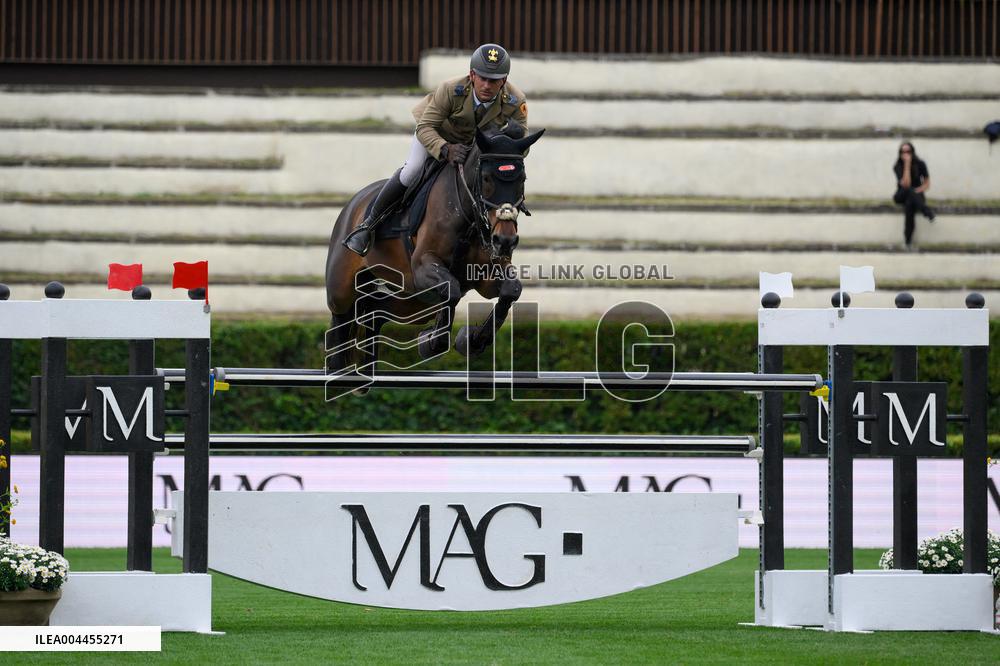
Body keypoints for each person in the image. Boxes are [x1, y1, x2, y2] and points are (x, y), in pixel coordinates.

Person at [343, 43, 529, 256]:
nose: (487, 85)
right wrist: (445, 149)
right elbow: (424, 127)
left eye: (494, 80)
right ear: (472, 75)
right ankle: (368, 225)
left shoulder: (515, 101)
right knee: (412, 170)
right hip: (437, 135)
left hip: (477, 148)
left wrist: (506, 148)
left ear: (504, 81)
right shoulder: (451, 90)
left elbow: (520, 150)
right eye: (482, 78)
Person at [892, 141, 935, 248]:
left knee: (909, 204)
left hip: (916, 195)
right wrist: (907, 164)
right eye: (903, 152)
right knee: (909, 190)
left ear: (912, 152)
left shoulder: (920, 164)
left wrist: (918, 191)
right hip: (901, 194)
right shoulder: (898, 166)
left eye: (908, 151)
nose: (905, 154)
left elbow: (927, 183)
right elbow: (906, 184)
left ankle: (908, 240)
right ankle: (926, 211)